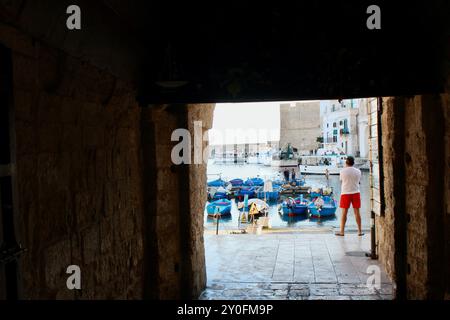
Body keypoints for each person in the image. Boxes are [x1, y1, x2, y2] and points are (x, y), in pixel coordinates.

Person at [335, 156, 363, 236]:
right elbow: (358, 181)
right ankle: (359, 231)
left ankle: (342, 232)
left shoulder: (342, 171)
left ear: (346, 162)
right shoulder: (358, 171)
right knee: (357, 212)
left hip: (345, 193)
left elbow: (341, 181)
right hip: (356, 192)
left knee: (344, 213)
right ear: (353, 163)